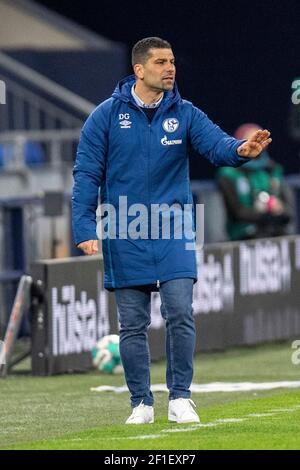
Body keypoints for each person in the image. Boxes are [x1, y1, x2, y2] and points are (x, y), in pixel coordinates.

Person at [72, 37, 272, 424]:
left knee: (180, 311)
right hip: (123, 226)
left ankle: (181, 397)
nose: (170, 68)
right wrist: (84, 225)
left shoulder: (186, 113)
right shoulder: (104, 117)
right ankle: (141, 404)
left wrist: (240, 152)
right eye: (161, 62)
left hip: (176, 224)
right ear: (139, 70)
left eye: (173, 61)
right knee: (132, 324)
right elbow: (86, 174)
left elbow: (217, 146)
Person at [217, 123, 291, 240]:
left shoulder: (273, 169)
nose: (256, 143)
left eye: (260, 139)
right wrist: (265, 216)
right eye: (252, 139)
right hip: (243, 236)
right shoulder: (228, 173)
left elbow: (288, 212)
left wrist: (280, 209)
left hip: (275, 232)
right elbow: (236, 212)